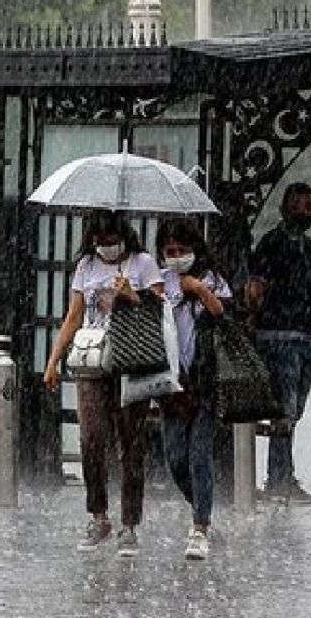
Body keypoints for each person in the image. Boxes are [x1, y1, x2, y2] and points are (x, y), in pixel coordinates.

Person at [43, 209, 164, 557]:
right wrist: (54, 360)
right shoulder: (87, 267)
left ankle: (130, 522)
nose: (106, 248)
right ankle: (99, 515)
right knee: (91, 437)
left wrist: (133, 296)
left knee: (131, 442)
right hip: (94, 361)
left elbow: (162, 310)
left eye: (111, 241)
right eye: (99, 242)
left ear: (123, 236)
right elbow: (74, 315)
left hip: (132, 360)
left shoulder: (143, 264)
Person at [155, 218, 230, 559]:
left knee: (199, 453)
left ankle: (200, 525)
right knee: (175, 458)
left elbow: (222, 313)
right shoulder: (158, 280)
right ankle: (202, 504)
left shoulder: (212, 278)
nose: (176, 256)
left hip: (205, 381)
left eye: (182, 250)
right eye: (170, 251)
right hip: (172, 384)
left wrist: (198, 288)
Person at [245, 182, 311, 504]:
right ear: (285, 208)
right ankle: (279, 477)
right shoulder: (272, 244)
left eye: (310, 205)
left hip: (304, 335)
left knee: (294, 410)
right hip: (278, 336)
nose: (306, 210)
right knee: (284, 410)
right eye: (300, 204)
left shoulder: (308, 247)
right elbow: (256, 288)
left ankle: (282, 474)